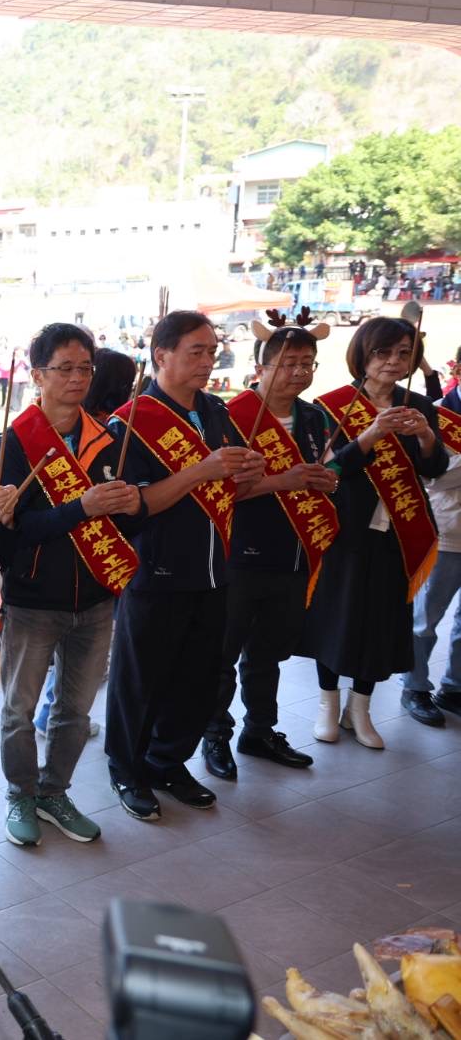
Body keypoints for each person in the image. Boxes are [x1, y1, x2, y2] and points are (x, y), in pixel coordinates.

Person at [103, 311, 264, 821]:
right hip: (156, 569)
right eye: (195, 352)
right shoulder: (130, 421)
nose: (206, 361)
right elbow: (134, 504)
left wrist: (246, 472)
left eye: (211, 352)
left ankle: (168, 762)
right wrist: (203, 470)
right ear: (161, 356)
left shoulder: (216, 410)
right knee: (141, 678)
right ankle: (127, 768)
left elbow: (227, 488)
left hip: (216, 568)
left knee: (196, 678)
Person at [0, 324, 141, 849]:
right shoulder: (15, 440)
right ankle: (20, 795)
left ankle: (56, 793)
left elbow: (125, 522)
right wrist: (84, 507)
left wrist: (126, 508)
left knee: (75, 710)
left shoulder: (110, 436)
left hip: (98, 599)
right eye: (65, 368)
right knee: (19, 711)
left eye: (85, 369)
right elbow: (14, 528)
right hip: (33, 601)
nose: (77, 379)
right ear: (37, 375)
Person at [200, 311, 339, 779]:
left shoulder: (315, 417)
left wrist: (324, 481)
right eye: (287, 363)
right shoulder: (229, 416)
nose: (298, 372)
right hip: (239, 554)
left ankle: (260, 730)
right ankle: (214, 734)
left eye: (307, 363)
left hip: (294, 553)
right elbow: (219, 490)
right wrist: (287, 479)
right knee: (223, 652)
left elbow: (324, 471)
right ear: (261, 366)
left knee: (270, 652)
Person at [300, 316, 446, 746]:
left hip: (397, 532)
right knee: (335, 616)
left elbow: (434, 470)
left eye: (404, 353)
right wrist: (370, 435)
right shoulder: (332, 406)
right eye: (383, 353)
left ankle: (359, 709)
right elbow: (330, 469)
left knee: (382, 620)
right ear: (363, 355)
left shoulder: (419, 405)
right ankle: (328, 704)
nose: (393, 362)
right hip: (344, 530)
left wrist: (425, 439)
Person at [399, 373, 461, 724]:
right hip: (448, 532)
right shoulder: (435, 413)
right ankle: (415, 686)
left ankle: (454, 688)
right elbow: (429, 474)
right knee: (425, 620)